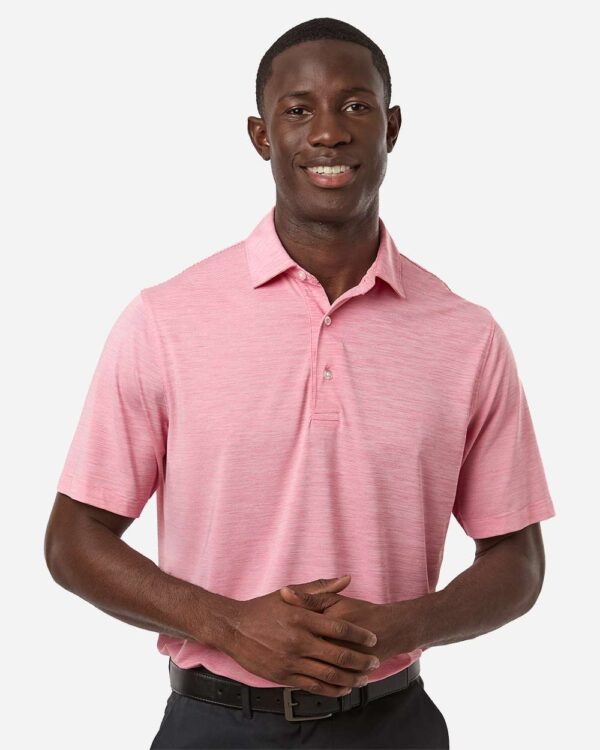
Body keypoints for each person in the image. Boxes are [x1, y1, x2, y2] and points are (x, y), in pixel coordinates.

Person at [44, 16, 556, 750]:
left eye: (355, 106)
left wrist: (396, 627)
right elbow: (73, 540)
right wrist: (229, 625)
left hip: (394, 724)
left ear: (392, 127)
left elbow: (518, 562)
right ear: (261, 136)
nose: (328, 132)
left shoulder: (466, 336)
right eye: (298, 110)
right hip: (212, 726)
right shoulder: (165, 319)